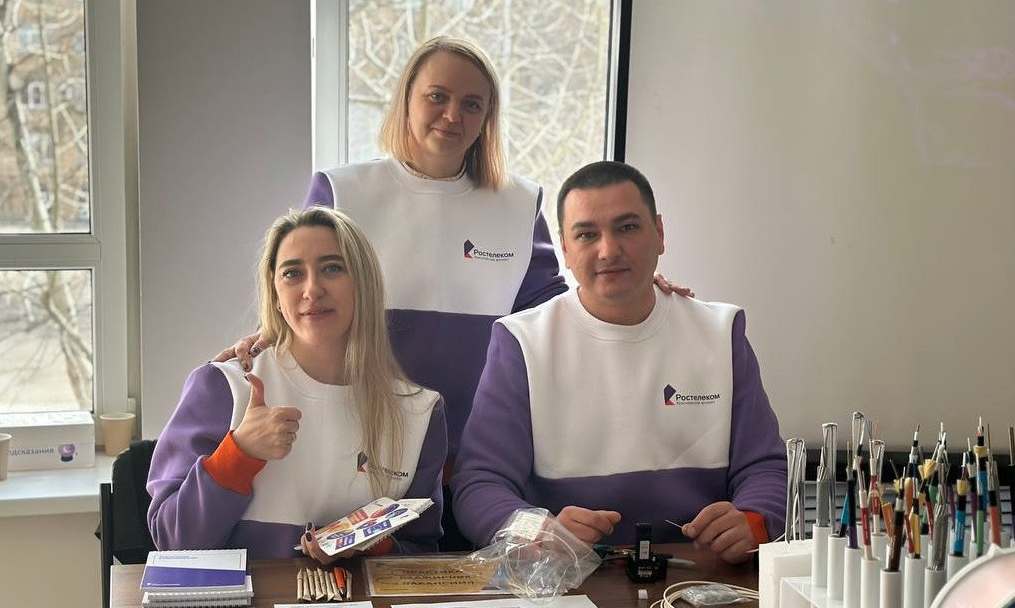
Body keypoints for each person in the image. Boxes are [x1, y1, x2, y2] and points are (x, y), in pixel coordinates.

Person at [218, 36, 689, 549]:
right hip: (374, 460)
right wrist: (264, 335)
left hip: (478, 464)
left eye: (471, 104)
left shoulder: (516, 203)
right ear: (406, 99)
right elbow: (300, 283)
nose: (452, 115)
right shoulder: (344, 191)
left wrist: (630, 288)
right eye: (436, 97)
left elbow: (555, 308)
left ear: (488, 117)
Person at [452, 161, 786, 564]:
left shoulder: (720, 331)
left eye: (627, 227)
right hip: (569, 578)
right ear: (565, 249)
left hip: (699, 573)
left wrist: (756, 519)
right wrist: (537, 532)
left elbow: (765, 467)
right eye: (587, 234)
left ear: (659, 233)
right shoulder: (523, 341)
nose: (609, 250)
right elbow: (479, 486)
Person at [148, 207, 446, 561]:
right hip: (247, 599)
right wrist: (239, 453)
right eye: (292, 273)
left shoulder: (419, 412)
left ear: (364, 284)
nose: (312, 289)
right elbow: (172, 542)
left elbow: (420, 554)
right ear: (275, 295)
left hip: (356, 599)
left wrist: (369, 546)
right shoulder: (222, 387)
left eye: (332, 268)